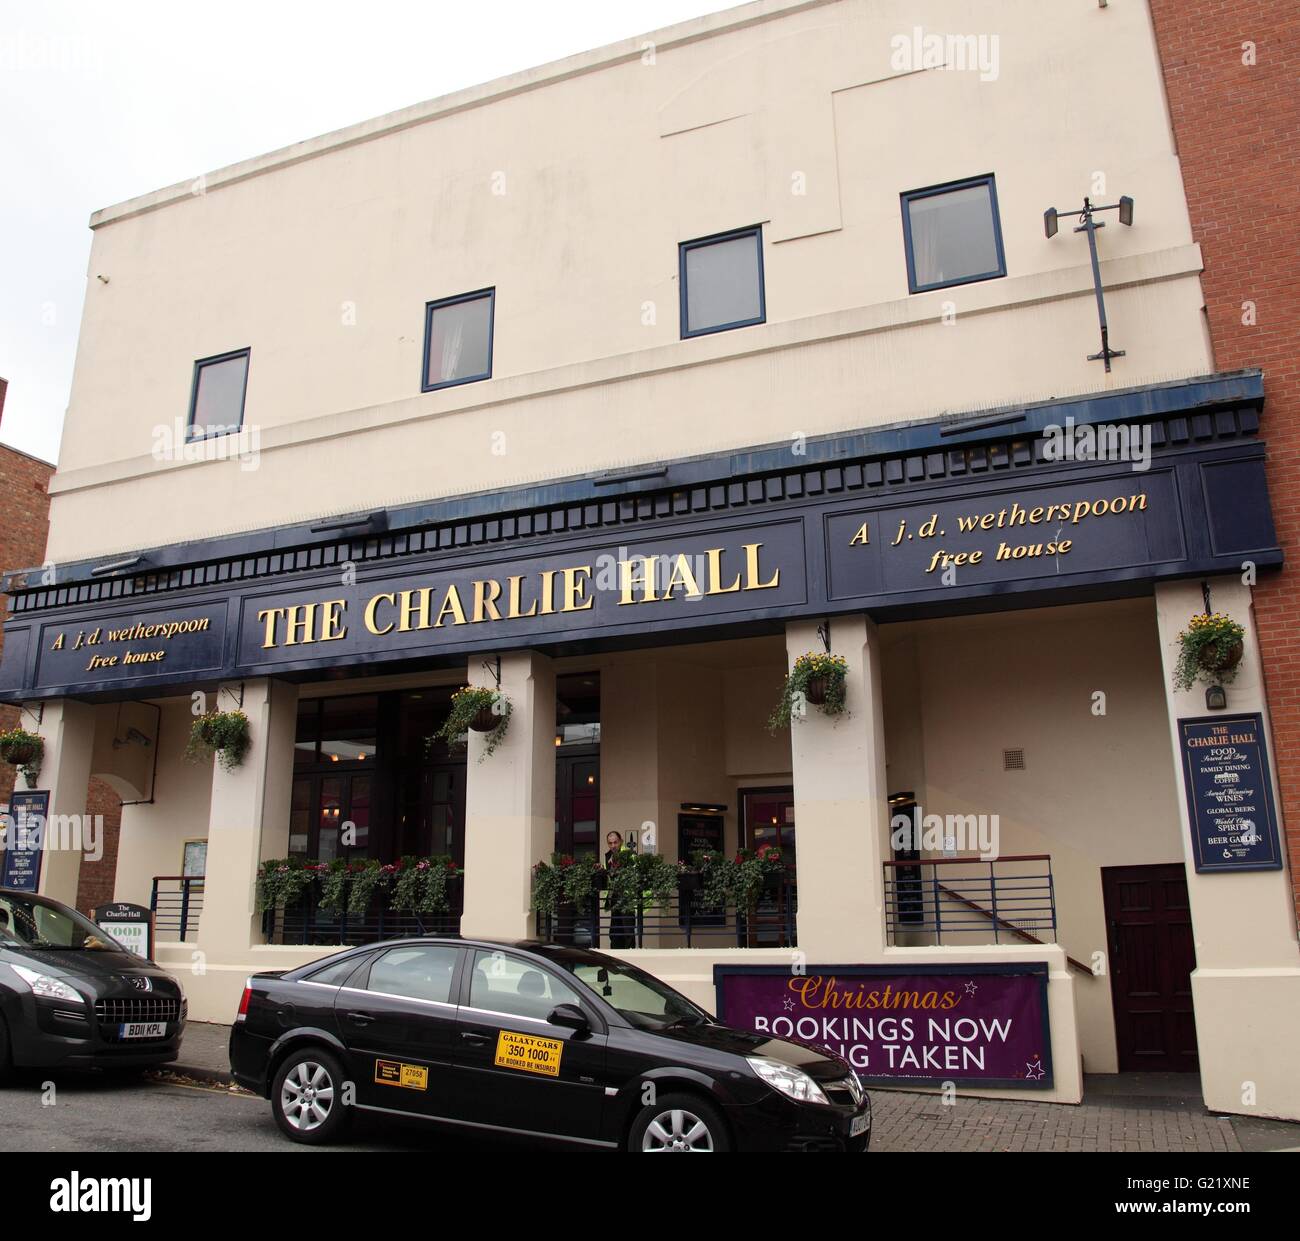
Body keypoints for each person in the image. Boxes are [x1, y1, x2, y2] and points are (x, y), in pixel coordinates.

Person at [604, 830, 637, 949]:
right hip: (614, 898)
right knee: (614, 932)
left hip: (627, 898)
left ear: (621, 842)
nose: (613, 845)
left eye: (615, 842)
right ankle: (614, 956)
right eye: (610, 843)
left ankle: (629, 957)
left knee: (628, 931)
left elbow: (635, 874)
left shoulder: (629, 854)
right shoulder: (608, 856)